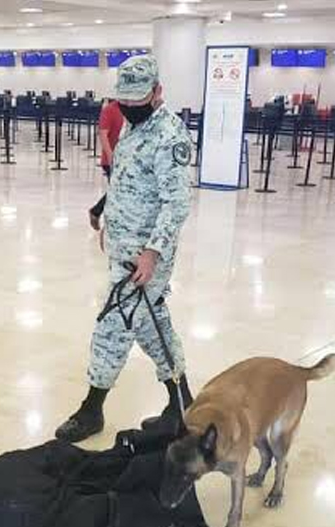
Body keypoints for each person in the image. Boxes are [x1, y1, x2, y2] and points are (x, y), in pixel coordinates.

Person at [55, 55, 194, 443]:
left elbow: (176, 203)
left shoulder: (169, 136)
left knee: (113, 326)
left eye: (138, 100)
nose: (130, 108)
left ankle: (92, 409)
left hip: (145, 259)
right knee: (152, 325)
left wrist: (153, 252)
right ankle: (182, 405)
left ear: (158, 92)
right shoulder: (135, 128)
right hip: (123, 247)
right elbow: (126, 180)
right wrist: (106, 214)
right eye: (124, 101)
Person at [89, 98, 125, 230]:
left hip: (126, 159)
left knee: (118, 190)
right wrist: (110, 157)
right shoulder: (109, 110)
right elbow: (103, 135)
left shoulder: (130, 110)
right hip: (111, 160)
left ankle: (96, 212)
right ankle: (102, 216)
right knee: (118, 190)